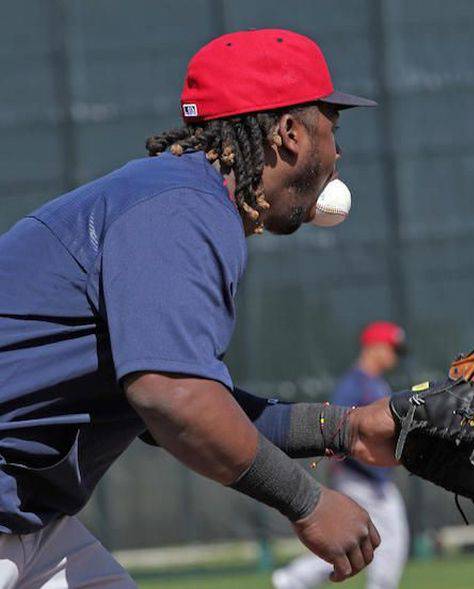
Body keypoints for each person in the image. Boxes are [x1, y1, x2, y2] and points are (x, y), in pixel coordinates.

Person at [0, 29, 401, 587]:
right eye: (331, 126)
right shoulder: (181, 208)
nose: (338, 151)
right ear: (288, 134)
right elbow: (173, 397)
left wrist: (348, 428)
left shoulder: (175, 199)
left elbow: (186, 403)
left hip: (30, 523)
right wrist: (306, 501)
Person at [272, 321, 410, 589]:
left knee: (362, 542)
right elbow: (336, 428)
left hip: (373, 479)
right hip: (359, 476)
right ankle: (293, 579)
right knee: (385, 539)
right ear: (374, 347)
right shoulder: (354, 384)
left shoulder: (376, 383)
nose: (395, 356)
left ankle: (292, 580)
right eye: (392, 349)